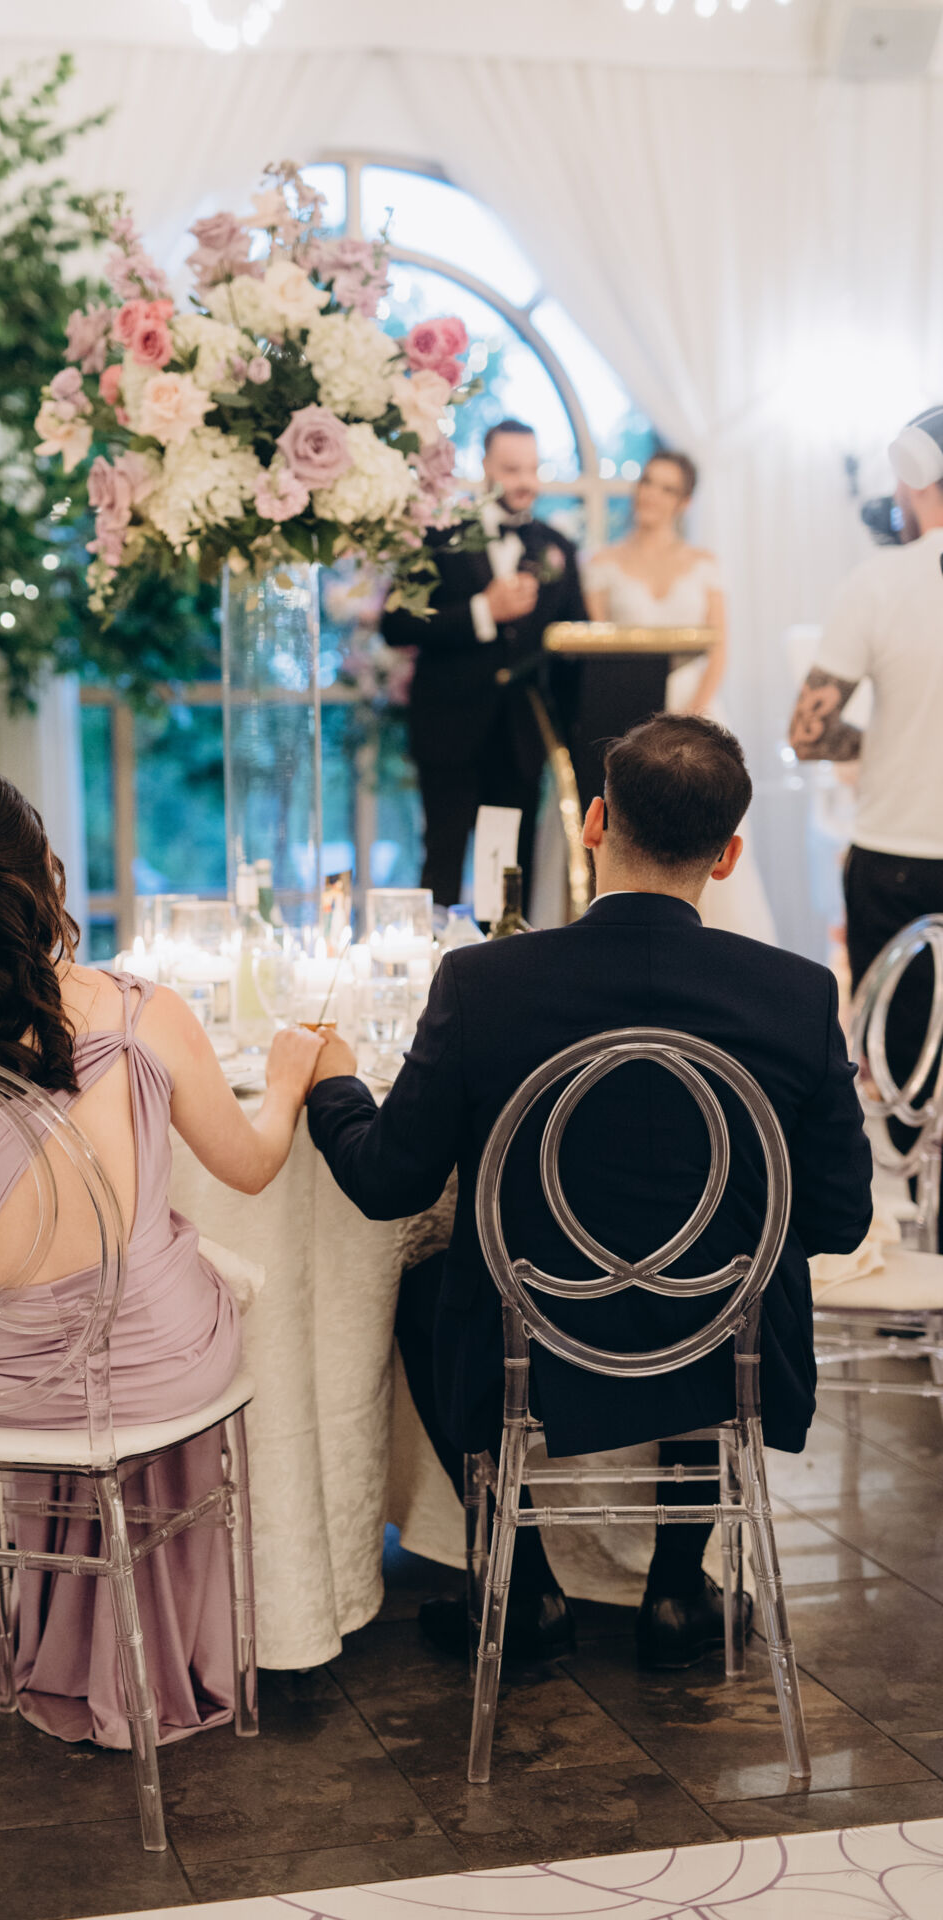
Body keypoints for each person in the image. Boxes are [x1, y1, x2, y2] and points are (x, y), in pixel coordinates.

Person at [306, 713, 872, 1670]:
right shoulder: (799, 995)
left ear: (596, 822)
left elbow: (388, 1182)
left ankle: (524, 1592)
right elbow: (842, 1218)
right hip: (725, 1349)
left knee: (421, 1286)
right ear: (728, 854)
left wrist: (335, 1088)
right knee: (735, 1275)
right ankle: (678, 1592)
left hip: (530, 1344)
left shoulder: (483, 982)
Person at [0, 764, 323, 1747]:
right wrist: (286, 1080)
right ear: (38, 877)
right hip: (148, 1381)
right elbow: (252, 1167)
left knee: (134, 1287)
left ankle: (59, 1624)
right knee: (204, 1280)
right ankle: (185, 1639)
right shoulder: (141, 1013)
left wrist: (1, 1304)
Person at [788, 404, 943, 1242]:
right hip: (898, 853)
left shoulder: (880, 582)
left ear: (914, 481)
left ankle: (914, 1231)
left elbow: (809, 730)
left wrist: (886, 743)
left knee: (899, 1068)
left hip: (898, 856)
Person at [380, 418, 589, 908]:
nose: (525, 482)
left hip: (520, 736)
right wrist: (482, 611)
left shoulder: (556, 548)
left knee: (510, 876)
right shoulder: (439, 536)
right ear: (486, 468)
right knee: (443, 862)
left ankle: (505, 957)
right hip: (447, 728)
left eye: (533, 469)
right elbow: (396, 624)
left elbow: (574, 646)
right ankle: (438, 955)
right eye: (512, 469)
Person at [585, 451, 776, 942]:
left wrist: (691, 717)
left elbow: (719, 647)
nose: (652, 494)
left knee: (702, 817)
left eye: (667, 488)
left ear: (684, 502)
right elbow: (600, 653)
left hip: (697, 706)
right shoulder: (603, 564)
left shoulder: (704, 564)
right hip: (630, 714)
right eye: (648, 482)